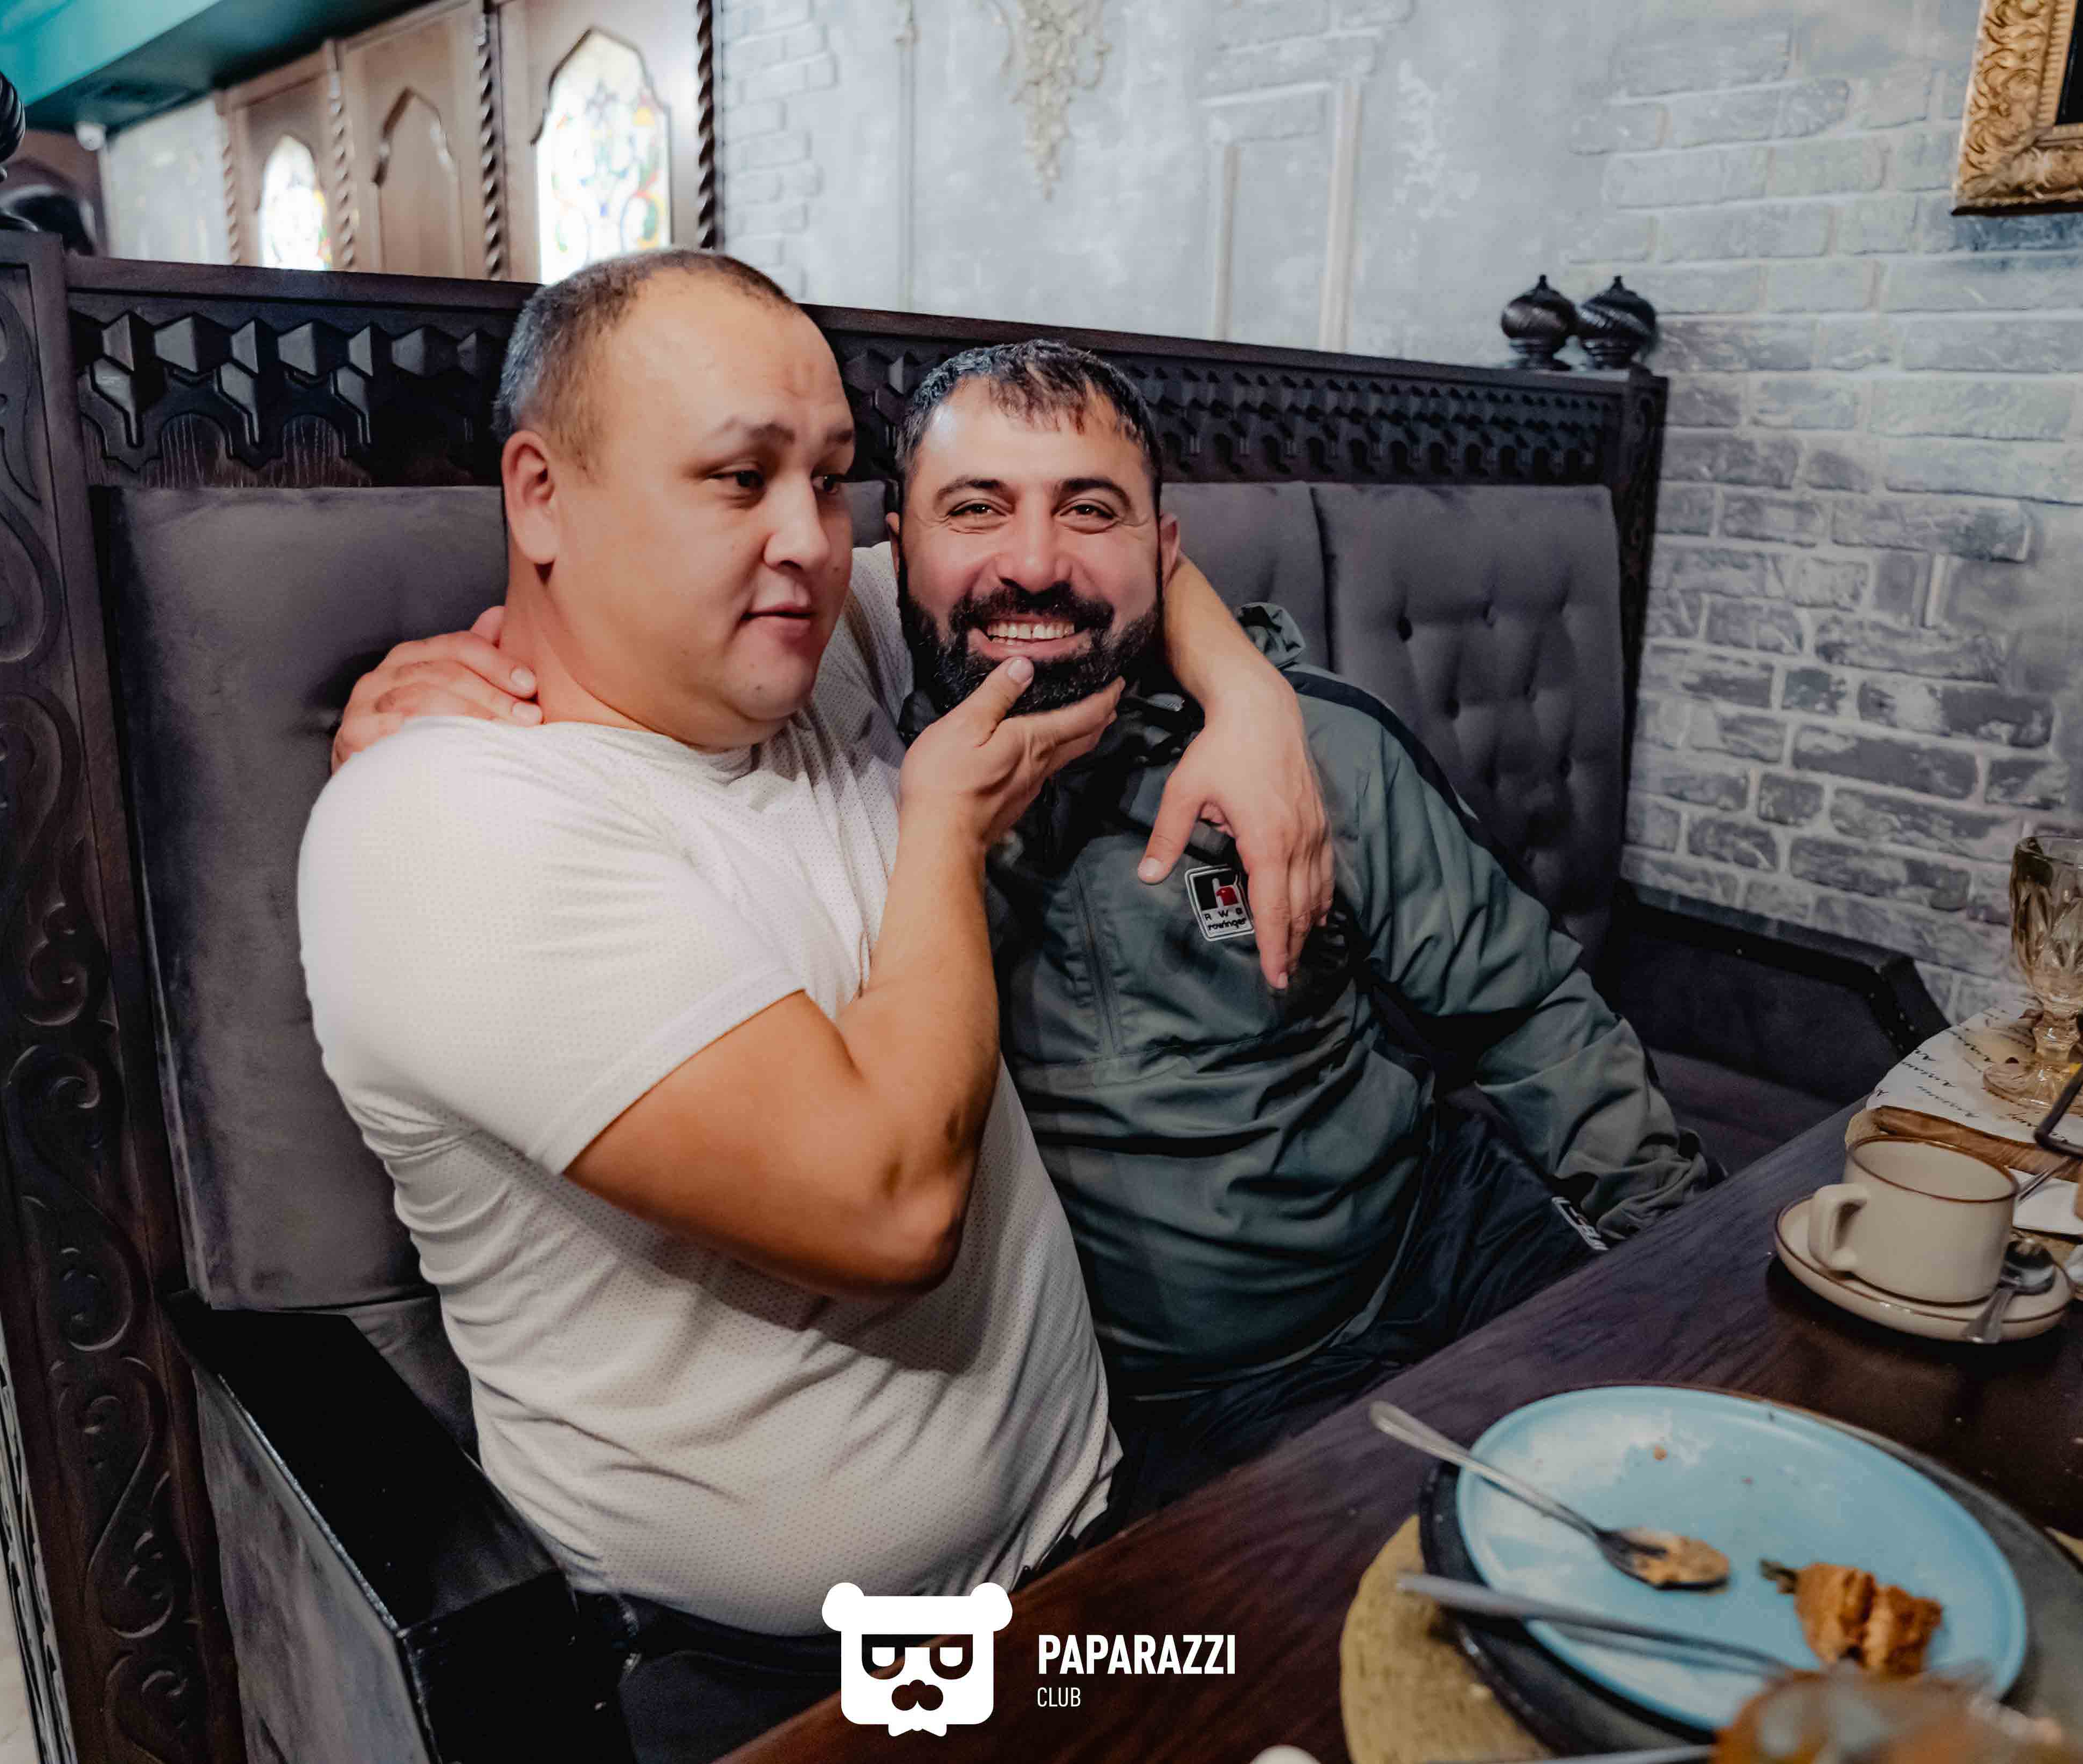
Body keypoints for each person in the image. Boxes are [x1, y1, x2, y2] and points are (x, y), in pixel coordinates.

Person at [341, 337, 1725, 1518]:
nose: (1032, 563)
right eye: (977, 509)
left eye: (1089, 511)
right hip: (1169, 1407)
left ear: (1162, 552)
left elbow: (1529, 1015)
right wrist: (448, 712)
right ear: (892, 555)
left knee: (1692, 1491)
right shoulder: (842, 781)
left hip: (1450, 1243)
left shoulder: (1307, 755)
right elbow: (630, 652)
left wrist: (1691, 1265)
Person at [297, 254, 1329, 1764]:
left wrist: (1252, 703)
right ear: (540, 497)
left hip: (1095, 1530)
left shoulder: (797, 642)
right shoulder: (446, 824)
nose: (810, 542)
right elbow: (886, 1207)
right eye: (738, 479)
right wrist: (937, 833)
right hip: (797, 1675)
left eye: (831, 480)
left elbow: (1084, 565)